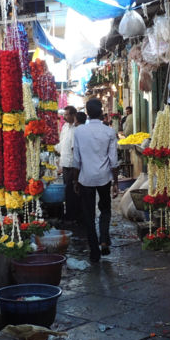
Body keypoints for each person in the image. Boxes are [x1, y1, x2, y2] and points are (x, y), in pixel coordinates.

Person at [72, 99, 119, 262]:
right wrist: (116, 181)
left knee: (88, 214)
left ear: (87, 112)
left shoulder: (78, 132)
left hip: (85, 178)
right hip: (104, 177)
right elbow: (114, 160)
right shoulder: (109, 132)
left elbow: (76, 160)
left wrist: (75, 181)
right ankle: (104, 239)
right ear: (100, 112)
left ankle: (94, 250)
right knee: (105, 209)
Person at [56, 106, 79, 222]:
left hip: (72, 165)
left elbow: (75, 149)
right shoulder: (65, 127)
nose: (64, 117)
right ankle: (70, 214)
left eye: (66, 115)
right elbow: (61, 145)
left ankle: (73, 216)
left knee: (72, 191)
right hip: (65, 163)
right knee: (67, 190)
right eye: (64, 114)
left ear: (73, 115)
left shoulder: (76, 129)